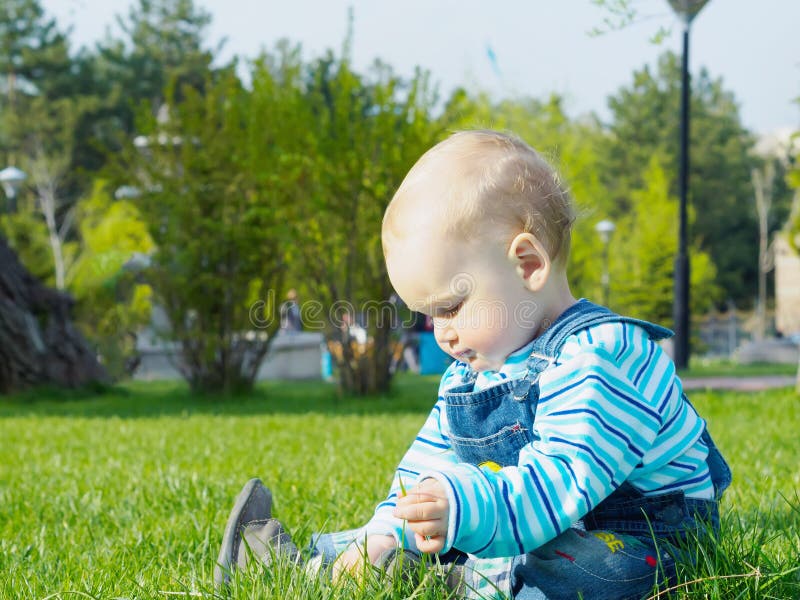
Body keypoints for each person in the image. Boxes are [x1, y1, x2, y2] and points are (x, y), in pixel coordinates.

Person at [214, 130, 731, 599]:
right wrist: (394, 527)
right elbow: (428, 468)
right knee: (421, 533)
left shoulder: (603, 356)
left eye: (451, 307)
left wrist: (460, 507)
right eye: (429, 315)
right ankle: (308, 564)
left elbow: (561, 484)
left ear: (527, 265)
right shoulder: (474, 370)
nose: (442, 332)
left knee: (588, 569)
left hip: (638, 542)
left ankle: (462, 579)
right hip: (516, 524)